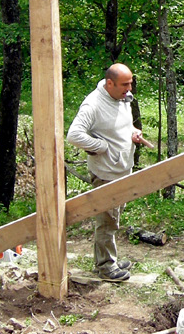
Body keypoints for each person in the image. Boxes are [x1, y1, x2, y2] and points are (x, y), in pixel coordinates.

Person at [66, 63, 154, 282]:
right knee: (107, 221)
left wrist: (133, 133)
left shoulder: (122, 97)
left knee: (113, 217)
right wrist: (101, 147)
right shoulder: (93, 105)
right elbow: (74, 135)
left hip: (122, 169)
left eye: (130, 83)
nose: (129, 88)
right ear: (109, 83)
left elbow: (120, 125)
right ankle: (106, 267)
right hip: (106, 173)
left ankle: (108, 259)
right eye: (124, 85)